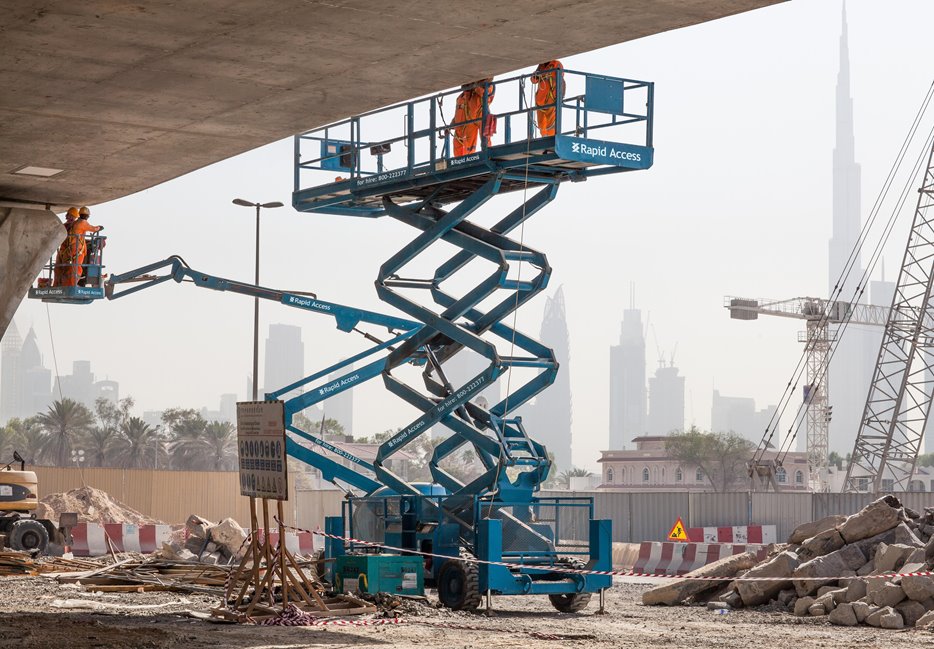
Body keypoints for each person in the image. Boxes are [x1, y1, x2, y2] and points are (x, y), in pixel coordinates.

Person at [452, 79, 495, 157]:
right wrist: (452, 123)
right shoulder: (462, 97)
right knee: (466, 145)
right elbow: (462, 109)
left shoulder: (487, 88)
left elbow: (487, 96)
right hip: (466, 122)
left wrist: (476, 86)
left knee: (485, 139)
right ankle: (464, 160)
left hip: (480, 117)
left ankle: (488, 154)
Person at [68, 206, 103, 287]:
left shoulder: (76, 222)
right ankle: (74, 284)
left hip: (73, 247)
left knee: (74, 266)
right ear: (86, 216)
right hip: (78, 248)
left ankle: (72, 283)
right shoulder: (83, 222)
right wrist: (99, 228)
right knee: (78, 267)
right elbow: (93, 228)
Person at [531, 60, 564, 136]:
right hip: (540, 100)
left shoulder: (556, 64)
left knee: (551, 124)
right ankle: (544, 139)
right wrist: (537, 74)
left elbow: (560, 80)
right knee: (541, 124)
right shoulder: (541, 66)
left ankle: (552, 140)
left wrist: (558, 98)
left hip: (551, 99)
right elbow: (533, 80)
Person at [52, 207, 79, 287]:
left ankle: (67, 284)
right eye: (67, 215)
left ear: (73, 216)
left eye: (69, 215)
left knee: (67, 268)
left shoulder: (76, 226)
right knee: (57, 268)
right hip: (63, 250)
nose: (66, 216)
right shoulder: (65, 226)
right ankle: (57, 284)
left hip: (70, 250)